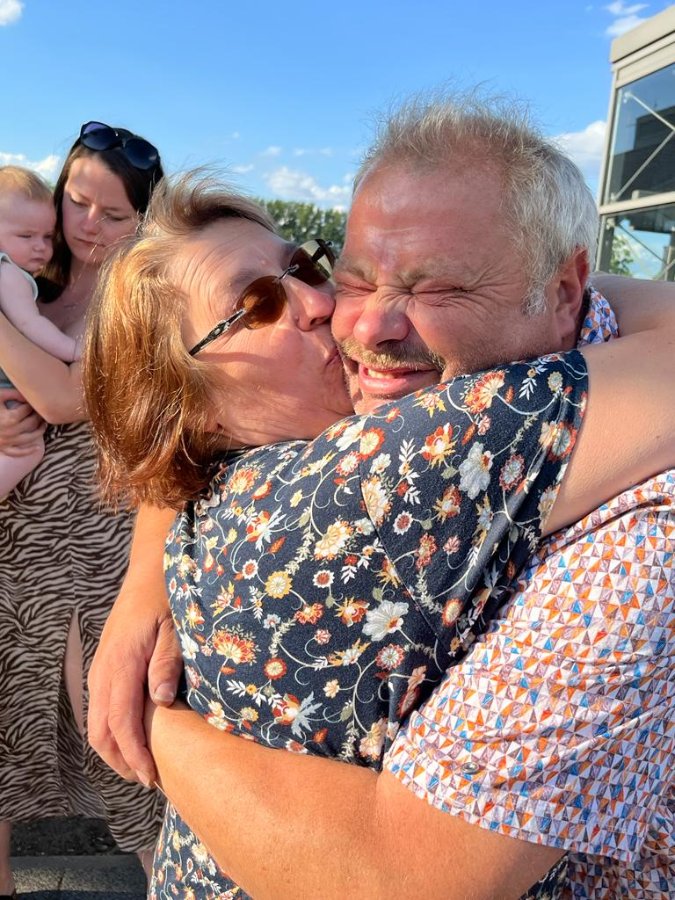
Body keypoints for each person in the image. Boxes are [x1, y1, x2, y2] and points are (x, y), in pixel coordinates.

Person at [84, 127, 674, 900]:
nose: (323, 307)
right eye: (256, 305)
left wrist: (147, 618)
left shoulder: (207, 493)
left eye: (306, 267)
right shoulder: (372, 471)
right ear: (192, 406)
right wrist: (163, 730)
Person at [0, 122, 165, 898]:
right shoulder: (28, 279)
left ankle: (173, 883)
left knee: (122, 743)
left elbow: (64, 399)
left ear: (144, 220)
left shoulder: (141, 298)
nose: (88, 225)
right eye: (77, 200)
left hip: (97, 546)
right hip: (15, 538)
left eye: (114, 213)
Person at [0, 166, 81, 498]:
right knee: (26, 449)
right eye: (26, 236)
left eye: (47, 237)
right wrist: (74, 350)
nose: (41, 247)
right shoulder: (9, 275)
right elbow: (30, 325)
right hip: (9, 390)